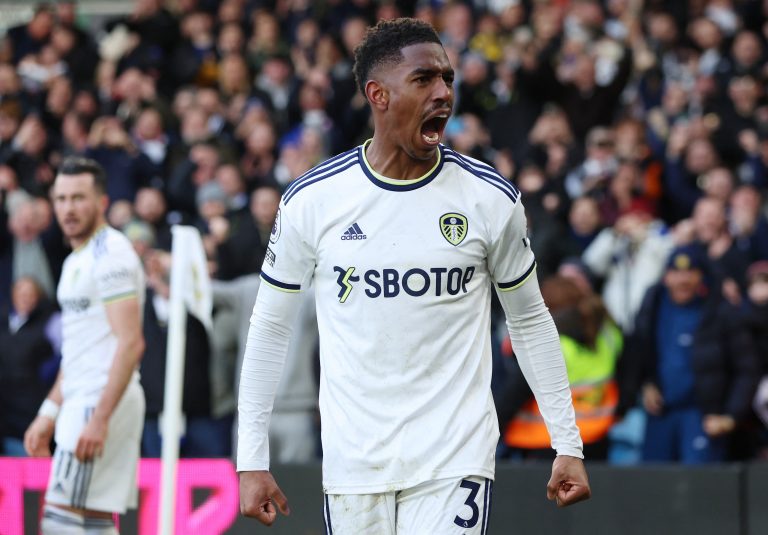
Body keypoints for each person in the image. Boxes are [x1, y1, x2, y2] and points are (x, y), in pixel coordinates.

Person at [237, 18, 589, 533]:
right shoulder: (312, 201)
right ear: (378, 94)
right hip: (356, 459)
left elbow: (530, 319)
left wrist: (567, 441)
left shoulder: (489, 199)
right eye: (424, 80)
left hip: (454, 455)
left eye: (447, 79)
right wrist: (251, 458)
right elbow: (269, 328)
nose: (444, 93)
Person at [22, 156, 146, 534]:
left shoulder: (111, 256)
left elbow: (131, 344)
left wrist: (99, 418)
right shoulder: (79, 258)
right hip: (84, 397)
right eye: (61, 199)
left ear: (101, 202)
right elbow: (79, 349)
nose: (68, 208)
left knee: (58, 520)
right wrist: (49, 411)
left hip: (99, 400)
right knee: (91, 522)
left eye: (78, 198)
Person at [633, 245, 760, 463]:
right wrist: (646, 383)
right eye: (676, 272)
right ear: (666, 277)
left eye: (690, 272)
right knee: (653, 484)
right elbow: (638, 352)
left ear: (701, 276)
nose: (683, 279)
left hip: (702, 414)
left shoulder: (719, 311)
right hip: (661, 412)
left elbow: (747, 367)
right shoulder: (653, 305)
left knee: (700, 486)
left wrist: (731, 415)